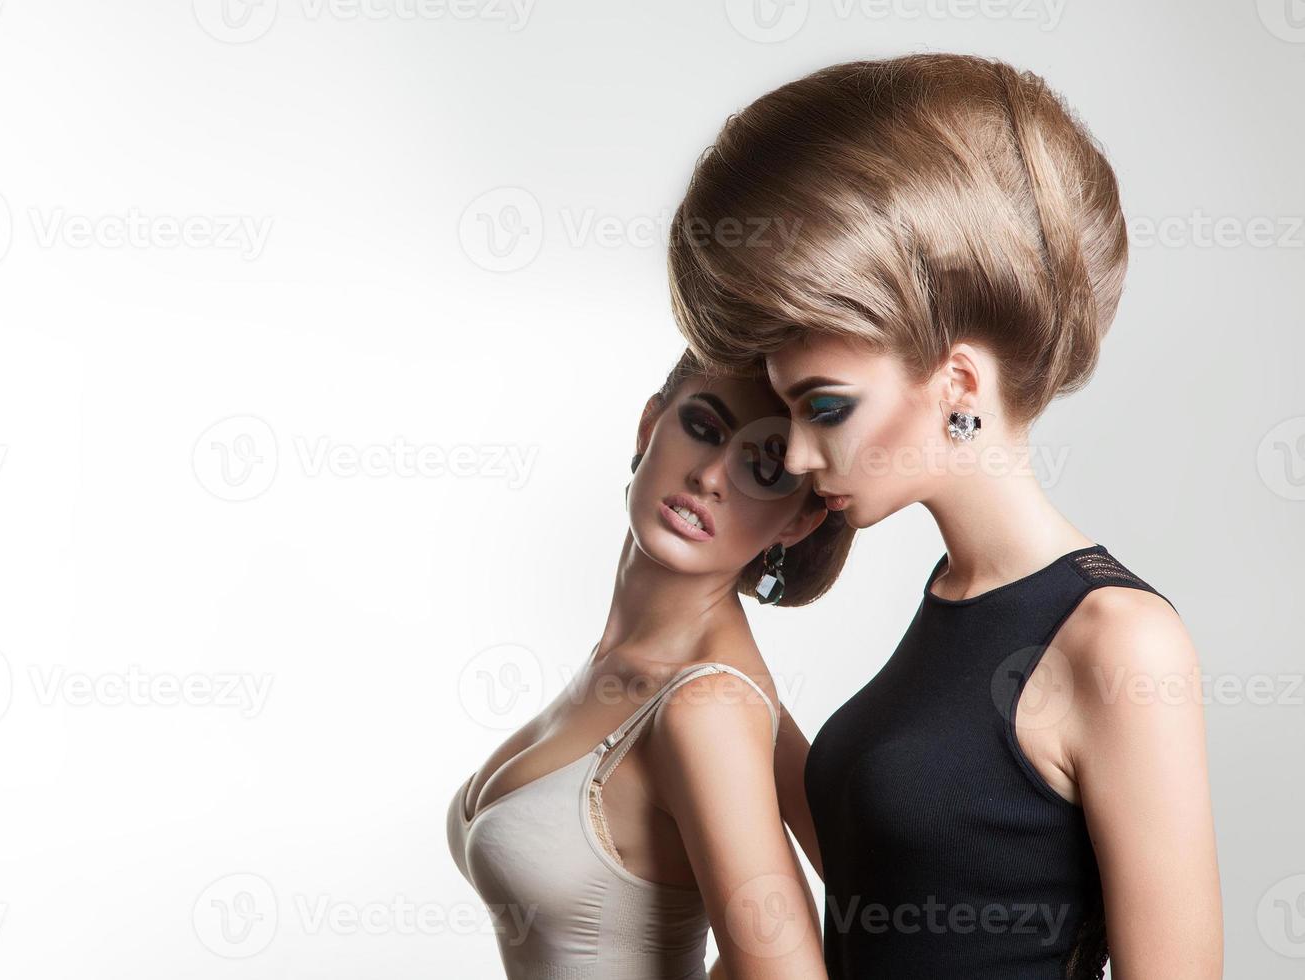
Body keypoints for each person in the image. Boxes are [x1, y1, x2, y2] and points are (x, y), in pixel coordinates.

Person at [671, 53, 1224, 979]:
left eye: (826, 407)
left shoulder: (1120, 640)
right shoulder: (954, 599)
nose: (800, 455)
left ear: (960, 383)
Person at [447, 350, 853, 979]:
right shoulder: (639, 666)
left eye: (765, 468)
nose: (713, 477)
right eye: (704, 429)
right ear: (648, 426)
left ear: (798, 522)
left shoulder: (708, 709)